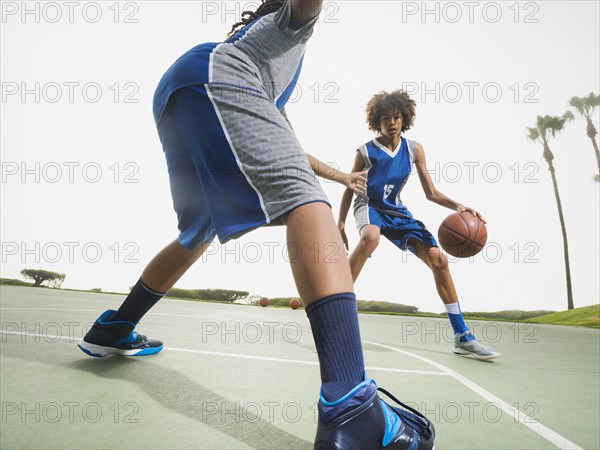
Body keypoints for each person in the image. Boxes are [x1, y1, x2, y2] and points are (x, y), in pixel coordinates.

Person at [77, 2, 435, 448]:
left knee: (199, 229)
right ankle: (350, 405)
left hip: (177, 96)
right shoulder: (286, 27)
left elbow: (287, 149)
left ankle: (113, 328)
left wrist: (342, 176)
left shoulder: (257, 75)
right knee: (307, 202)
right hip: (215, 78)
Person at [338, 90, 500, 360]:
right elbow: (349, 187)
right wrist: (341, 223)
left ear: (404, 118)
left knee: (439, 261)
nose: (392, 122)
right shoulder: (365, 151)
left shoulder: (414, 149)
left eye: (397, 117)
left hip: (397, 212)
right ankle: (335, 306)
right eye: (386, 118)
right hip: (369, 206)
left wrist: (460, 206)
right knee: (370, 238)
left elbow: (431, 193)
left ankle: (462, 336)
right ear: (376, 121)